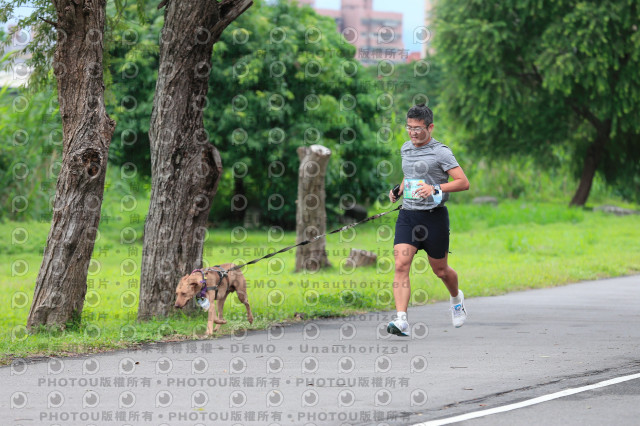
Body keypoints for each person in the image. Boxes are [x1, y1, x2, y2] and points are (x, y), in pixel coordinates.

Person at [387, 104, 470, 336]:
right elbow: (410, 174)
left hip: (434, 218)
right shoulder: (406, 148)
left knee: (441, 270)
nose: (412, 133)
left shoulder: (441, 152)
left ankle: (456, 298)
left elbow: (463, 182)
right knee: (401, 264)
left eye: (418, 129)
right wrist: (399, 189)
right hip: (408, 216)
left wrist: (435, 188)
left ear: (430, 127)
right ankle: (401, 320)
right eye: (409, 127)